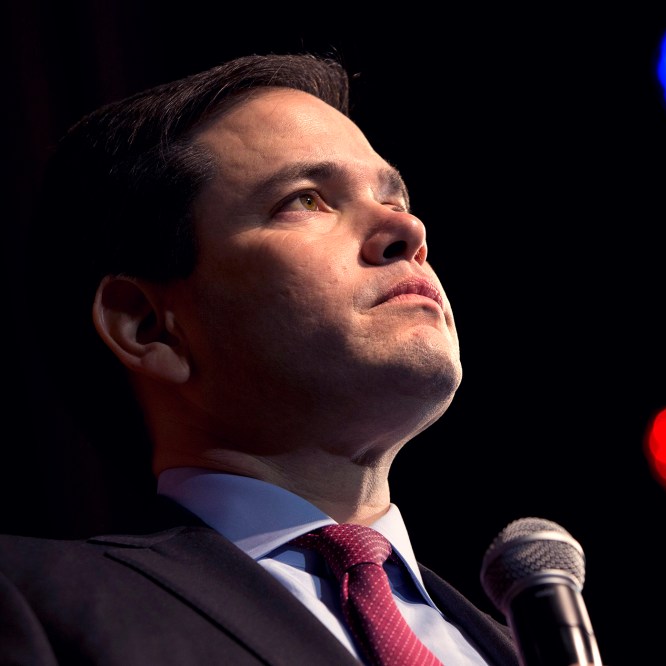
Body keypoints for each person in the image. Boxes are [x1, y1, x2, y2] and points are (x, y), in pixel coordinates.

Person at [0, 52, 520, 666]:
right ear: (149, 329)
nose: (407, 229)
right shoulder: (30, 599)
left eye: (396, 198)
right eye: (305, 200)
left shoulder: (520, 643)